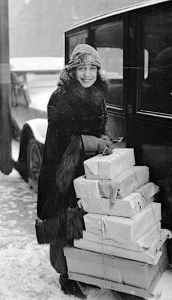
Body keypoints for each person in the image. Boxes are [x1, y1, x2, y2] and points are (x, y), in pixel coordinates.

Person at [37, 44, 113, 298]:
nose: (87, 74)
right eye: (82, 68)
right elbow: (59, 140)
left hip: (85, 166)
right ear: (72, 70)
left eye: (92, 68)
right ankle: (64, 274)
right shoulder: (61, 97)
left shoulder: (99, 94)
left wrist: (103, 138)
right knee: (64, 217)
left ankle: (80, 270)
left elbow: (96, 127)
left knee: (83, 219)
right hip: (63, 169)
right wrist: (93, 142)